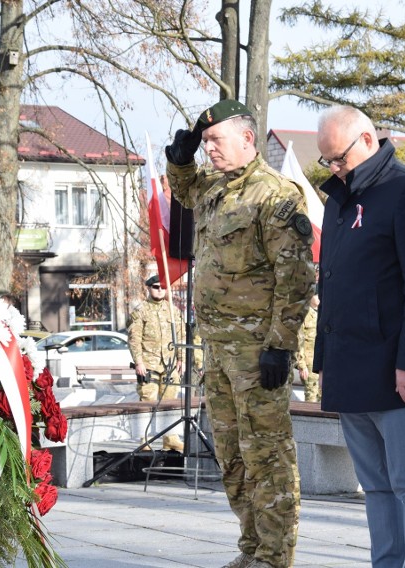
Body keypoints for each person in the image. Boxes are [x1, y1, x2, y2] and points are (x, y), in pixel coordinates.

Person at [165, 99, 316, 568]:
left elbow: (296, 277)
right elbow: (185, 189)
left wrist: (279, 346)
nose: (209, 149)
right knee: (232, 455)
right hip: (218, 348)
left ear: (248, 140)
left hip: (257, 351)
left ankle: (275, 556)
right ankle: (250, 548)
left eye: (215, 140)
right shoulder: (214, 187)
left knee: (266, 454)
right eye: (205, 142)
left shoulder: (275, 194)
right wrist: (179, 158)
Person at [314, 105, 405, 567]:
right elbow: (328, 283)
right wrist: (325, 359)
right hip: (350, 367)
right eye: (326, 161)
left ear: (367, 140)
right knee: (375, 486)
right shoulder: (337, 200)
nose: (333, 168)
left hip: (398, 372)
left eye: (338, 158)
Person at [127, 275, 180, 402]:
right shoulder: (140, 310)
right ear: (149, 289)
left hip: (169, 364)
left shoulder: (172, 310)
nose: (160, 290)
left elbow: (181, 335)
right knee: (148, 402)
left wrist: (181, 359)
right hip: (148, 365)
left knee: (170, 404)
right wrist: (138, 362)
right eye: (156, 287)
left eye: (163, 287)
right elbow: (134, 339)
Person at [294, 294, 320, 402]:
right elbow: (298, 340)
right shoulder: (305, 313)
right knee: (311, 396)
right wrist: (301, 365)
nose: (319, 298)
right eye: (316, 295)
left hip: (321, 362)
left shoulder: (322, 313)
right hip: (309, 363)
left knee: (322, 396)